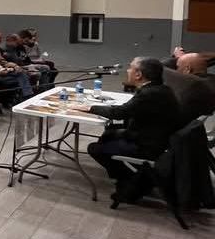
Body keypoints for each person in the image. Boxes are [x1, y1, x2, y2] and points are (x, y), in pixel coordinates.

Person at [76, 57, 181, 197]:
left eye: (131, 68)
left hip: (148, 146)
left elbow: (119, 113)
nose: (127, 70)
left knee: (94, 148)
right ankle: (127, 173)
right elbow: (129, 110)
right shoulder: (160, 89)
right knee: (109, 133)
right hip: (157, 138)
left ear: (138, 74)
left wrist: (90, 108)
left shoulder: (149, 94)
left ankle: (133, 180)